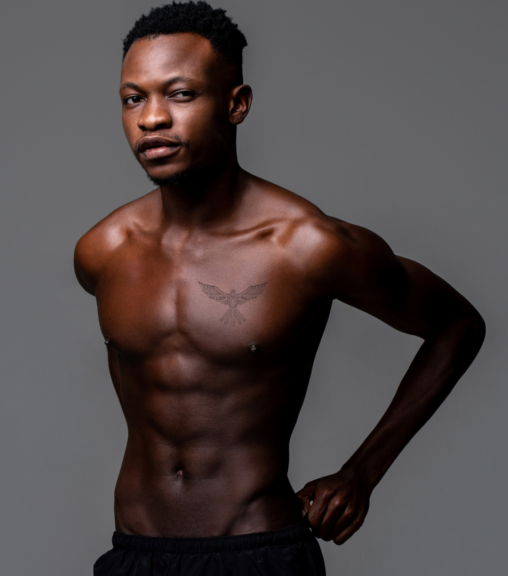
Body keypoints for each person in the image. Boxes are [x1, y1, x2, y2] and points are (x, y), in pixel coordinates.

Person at [73, 2, 486, 574]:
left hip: (259, 554)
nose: (151, 119)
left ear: (236, 104)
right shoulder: (102, 252)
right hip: (135, 555)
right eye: (133, 97)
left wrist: (362, 472)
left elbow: (457, 326)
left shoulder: (306, 246)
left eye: (181, 94)